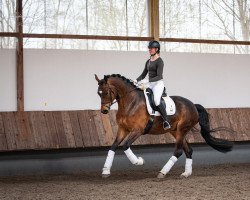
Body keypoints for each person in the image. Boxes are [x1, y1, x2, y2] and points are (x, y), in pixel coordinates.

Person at [135, 40, 171, 130]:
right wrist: (135, 80)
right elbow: (143, 74)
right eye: (149, 48)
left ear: (156, 49)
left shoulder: (160, 61)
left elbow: (159, 76)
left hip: (158, 84)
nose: (149, 50)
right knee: (139, 94)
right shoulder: (148, 61)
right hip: (150, 83)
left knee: (156, 100)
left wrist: (147, 81)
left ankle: (166, 121)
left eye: (151, 48)